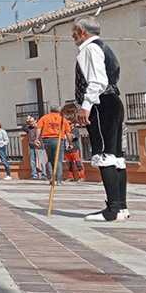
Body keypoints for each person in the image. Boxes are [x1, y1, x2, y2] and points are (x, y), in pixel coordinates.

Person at [73, 16, 128, 222]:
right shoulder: (105, 48)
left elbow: (97, 80)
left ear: (81, 31)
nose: (72, 35)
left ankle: (113, 209)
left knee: (105, 154)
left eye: (74, 31)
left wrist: (86, 106)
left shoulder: (89, 49)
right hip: (113, 102)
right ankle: (121, 207)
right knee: (116, 157)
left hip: (101, 105)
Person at [37, 106, 70, 185]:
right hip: (59, 140)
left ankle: (52, 177)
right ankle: (58, 179)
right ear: (59, 111)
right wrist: (70, 143)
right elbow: (68, 133)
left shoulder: (44, 118)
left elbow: (38, 129)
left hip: (47, 139)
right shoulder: (63, 119)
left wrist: (36, 139)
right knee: (58, 160)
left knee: (50, 159)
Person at [23, 115, 46, 180]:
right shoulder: (29, 128)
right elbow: (23, 127)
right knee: (33, 161)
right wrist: (27, 121)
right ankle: (34, 175)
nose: (31, 123)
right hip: (31, 146)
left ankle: (43, 175)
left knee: (41, 161)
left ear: (36, 121)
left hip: (39, 147)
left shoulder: (40, 127)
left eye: (32, 121)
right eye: (30, 122)